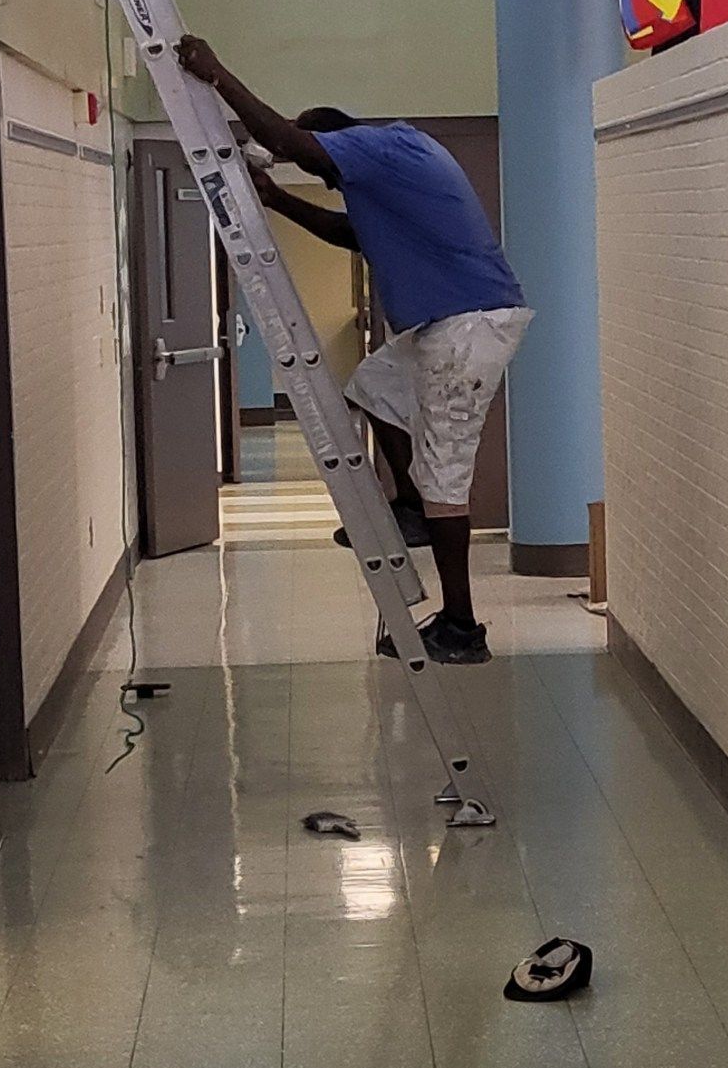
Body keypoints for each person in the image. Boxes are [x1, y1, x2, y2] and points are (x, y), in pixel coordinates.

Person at [176, 36, 530, 666]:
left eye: (324, 172)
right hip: (443, 322)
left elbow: (287, 140)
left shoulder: (380, 148)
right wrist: (279, 200)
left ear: (335, 143)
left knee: (446, 476)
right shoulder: (394, 167)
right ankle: (411, 510)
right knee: (373, 387)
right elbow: (351, 233)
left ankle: (461, 626)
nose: (330, 184)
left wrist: (216, 73)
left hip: (469, 324)